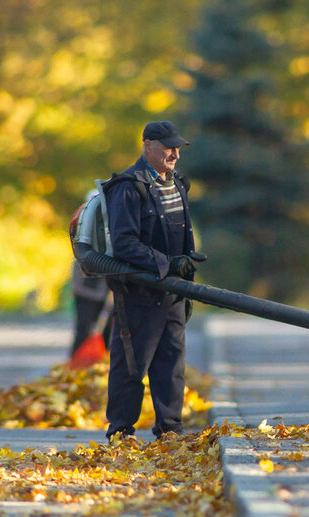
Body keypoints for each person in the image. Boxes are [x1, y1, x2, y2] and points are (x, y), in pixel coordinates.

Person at [104, 120, 206, 440]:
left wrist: (186, 267)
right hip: (139, 294)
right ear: (148, 146)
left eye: (177, 147)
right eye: (168, 147)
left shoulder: (176, 183)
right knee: (132, 366)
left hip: (174, 293)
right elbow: (124, 244)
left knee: (172, 365)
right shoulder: (128, 186)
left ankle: (170, 431)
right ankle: (120, 432)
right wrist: (167, 264)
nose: (175, 153)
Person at [69, 259, 112, 355]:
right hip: (86, 291)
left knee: (107, 331)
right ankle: (76, 363)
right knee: (84, 330)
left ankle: (101, 362)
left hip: (107, 290)